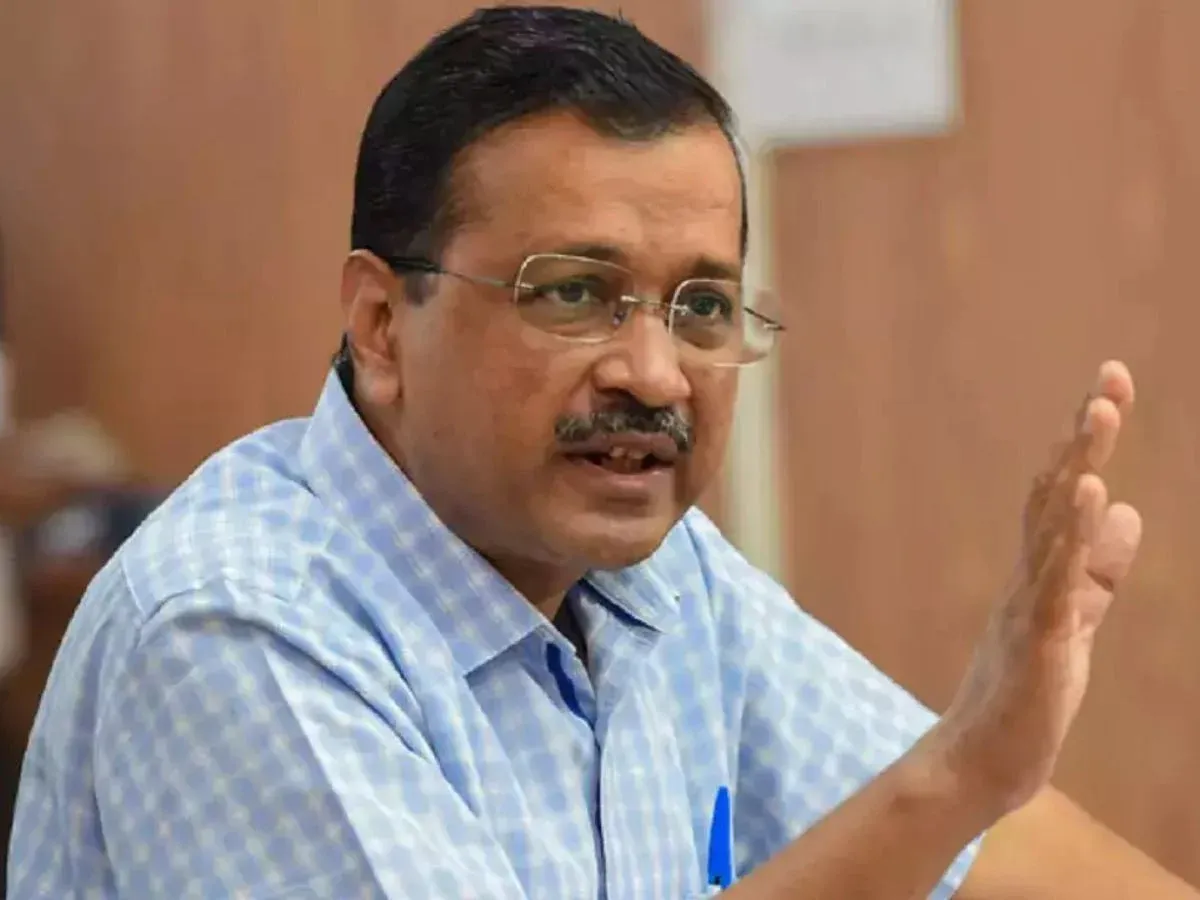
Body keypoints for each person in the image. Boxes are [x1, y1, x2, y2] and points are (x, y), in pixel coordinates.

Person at [7, 6, 1196, 898]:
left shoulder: (658, 575)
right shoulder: (231, 628)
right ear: (380, 327)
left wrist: (970, 782)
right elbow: (946, 796)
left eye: (702, 306)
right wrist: (962, 770)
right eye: (574, 293)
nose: (656, 374)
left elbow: (987, 854)